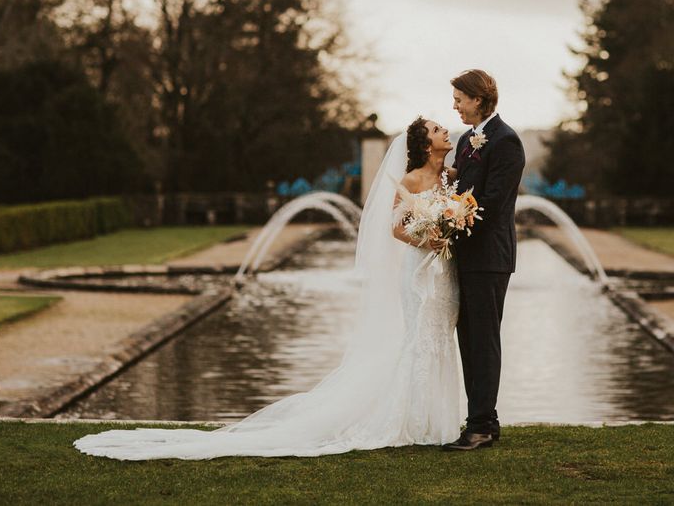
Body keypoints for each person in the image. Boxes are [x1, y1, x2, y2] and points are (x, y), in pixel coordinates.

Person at [74, 117, 463, 460]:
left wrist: (449, 226)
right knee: (419, 339)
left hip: (444, 272)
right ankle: (415, 421)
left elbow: (458, 209)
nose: (445, 129)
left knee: (441, 337)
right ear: (425, 144)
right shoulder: (410, 180)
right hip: (417, 270)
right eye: (437, 128)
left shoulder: (451, 175)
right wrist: (425, 239)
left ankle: (441, 421)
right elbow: (395, 228)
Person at [442, 69, 525, 452]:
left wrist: (450, 219)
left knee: (484, 340)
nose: (455, 105)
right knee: (469, 338)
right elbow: (459, 189)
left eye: (460, 98)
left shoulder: (507, 142)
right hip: (466, 255)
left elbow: (491, 203)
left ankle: (479, 426)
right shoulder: (465, 140)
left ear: (479, 99)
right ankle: (483, 422)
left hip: (490, 257)